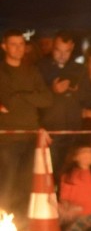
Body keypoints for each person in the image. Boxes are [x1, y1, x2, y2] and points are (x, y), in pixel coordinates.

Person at [0, 29, 52, 218]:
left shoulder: (32, 71)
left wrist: (21, 96)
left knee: (25, 186)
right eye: (13, 44)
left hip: (30, 137)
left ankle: (21, 230)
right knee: (5, 186)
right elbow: (8, 100)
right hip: (7, 140)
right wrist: (30, 98)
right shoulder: (2, 72)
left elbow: (47, 99)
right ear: (4, 46)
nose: (18, 48)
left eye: (21, 44)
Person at [38, 31, 86, 171]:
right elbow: (35, 97)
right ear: (53, 46)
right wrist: (52, 89)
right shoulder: (41, 67)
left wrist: (77, 91)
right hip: (51, 133)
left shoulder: (79, 69)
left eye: (67, 51)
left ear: (72, 48)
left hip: (73, 132)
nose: (62, 55)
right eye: (58, 50)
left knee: (70, 174)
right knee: (49, 173)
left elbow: (89, 98)